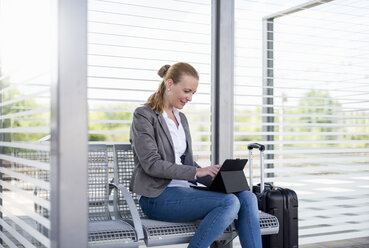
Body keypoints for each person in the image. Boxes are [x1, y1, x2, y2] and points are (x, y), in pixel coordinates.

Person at [129, 62, 262, 248]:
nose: (190, 98)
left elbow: (185, 162)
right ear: (169, 84)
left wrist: (213, 175)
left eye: (193, 93)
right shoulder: (144, 115)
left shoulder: (180, 118)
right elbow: (152, 164)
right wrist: (196, 172)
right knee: (229, 203)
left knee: (248, 197)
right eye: (186, 91)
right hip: (158, 197)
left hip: (186, 191)